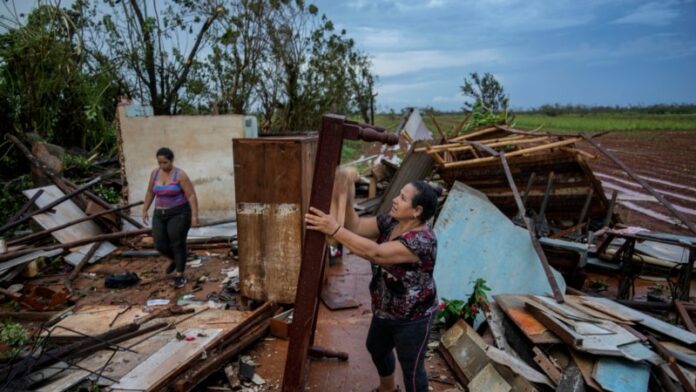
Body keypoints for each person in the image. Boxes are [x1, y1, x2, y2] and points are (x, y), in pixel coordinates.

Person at [305, 178, 440, 392]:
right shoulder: (392, 222)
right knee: (376, 347)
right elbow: (356, 226)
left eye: (403, 198)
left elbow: (375, 253)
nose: (395, 200)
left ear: (417, 211)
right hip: (384, 308)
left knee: (412, 371)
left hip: (413, 317)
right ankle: (387, 389)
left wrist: (333, 229)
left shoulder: (422, 241)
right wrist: (346, 195)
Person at [142, 147, 199, 288]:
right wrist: (145, 209)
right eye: (160, 163)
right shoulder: (155, 174)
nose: (162, 166)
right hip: (159, 214)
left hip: (179, 213)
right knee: (159, 244)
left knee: (177, 243)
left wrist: (194, 216)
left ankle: (180, 274)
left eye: (165, 162)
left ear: (171, 160)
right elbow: (150, 192)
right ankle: (176, 259)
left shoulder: (180, 175)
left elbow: (191, 195)